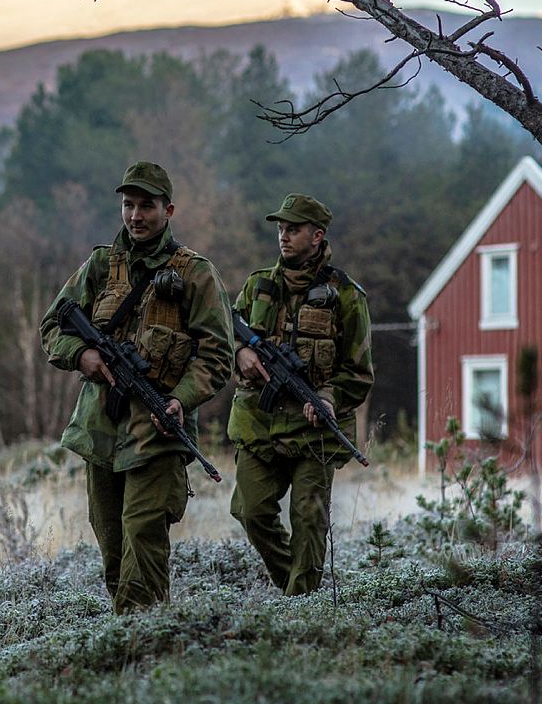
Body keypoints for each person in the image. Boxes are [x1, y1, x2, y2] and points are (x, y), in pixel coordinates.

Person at [40, 161, 233, 613]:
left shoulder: (195, 274)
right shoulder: (101, 265)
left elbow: (217, 357)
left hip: (159, 431)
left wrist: (180, 399)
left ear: (169, 210)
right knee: (112, 548)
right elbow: (53, 326)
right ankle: (137, 641)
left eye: (147, 206)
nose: (136, 215)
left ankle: (140, 646)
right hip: (100, 430)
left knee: (143, 537)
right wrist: (82, 355)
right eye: (128, 205)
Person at [228, 193, 373, 596]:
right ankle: (295, 585)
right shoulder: (257, 286)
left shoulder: (346, 296)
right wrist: (239, 352)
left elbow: (359, 373)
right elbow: (220, 338)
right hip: (260, 424)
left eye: (293, 229)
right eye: (280, 229)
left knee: (309, 518)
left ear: (317, 235)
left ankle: (301, 602)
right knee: (250, 510)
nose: (284, 237)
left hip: (315, 432)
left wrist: (328, 397)